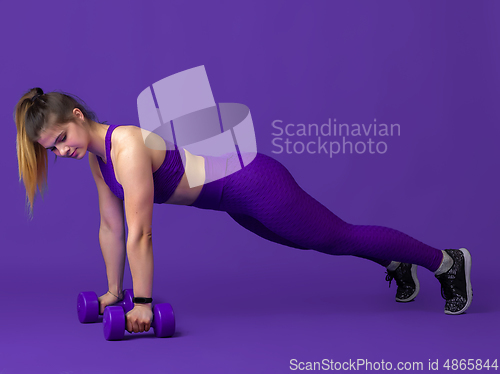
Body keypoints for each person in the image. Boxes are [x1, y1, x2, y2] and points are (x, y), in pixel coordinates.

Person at [14, 88, 473, 334]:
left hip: (252, 182)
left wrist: (145, 304)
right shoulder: (99, 160)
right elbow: (111, 228)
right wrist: (114, 294)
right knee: (317, 241)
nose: (60, 152)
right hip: (231, 202)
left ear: (76, 115)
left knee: (334, 236)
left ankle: (447, 262)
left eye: (60, 139)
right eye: (50, 149)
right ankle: (394, 261)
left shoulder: (126, 145)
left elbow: (141, 234)